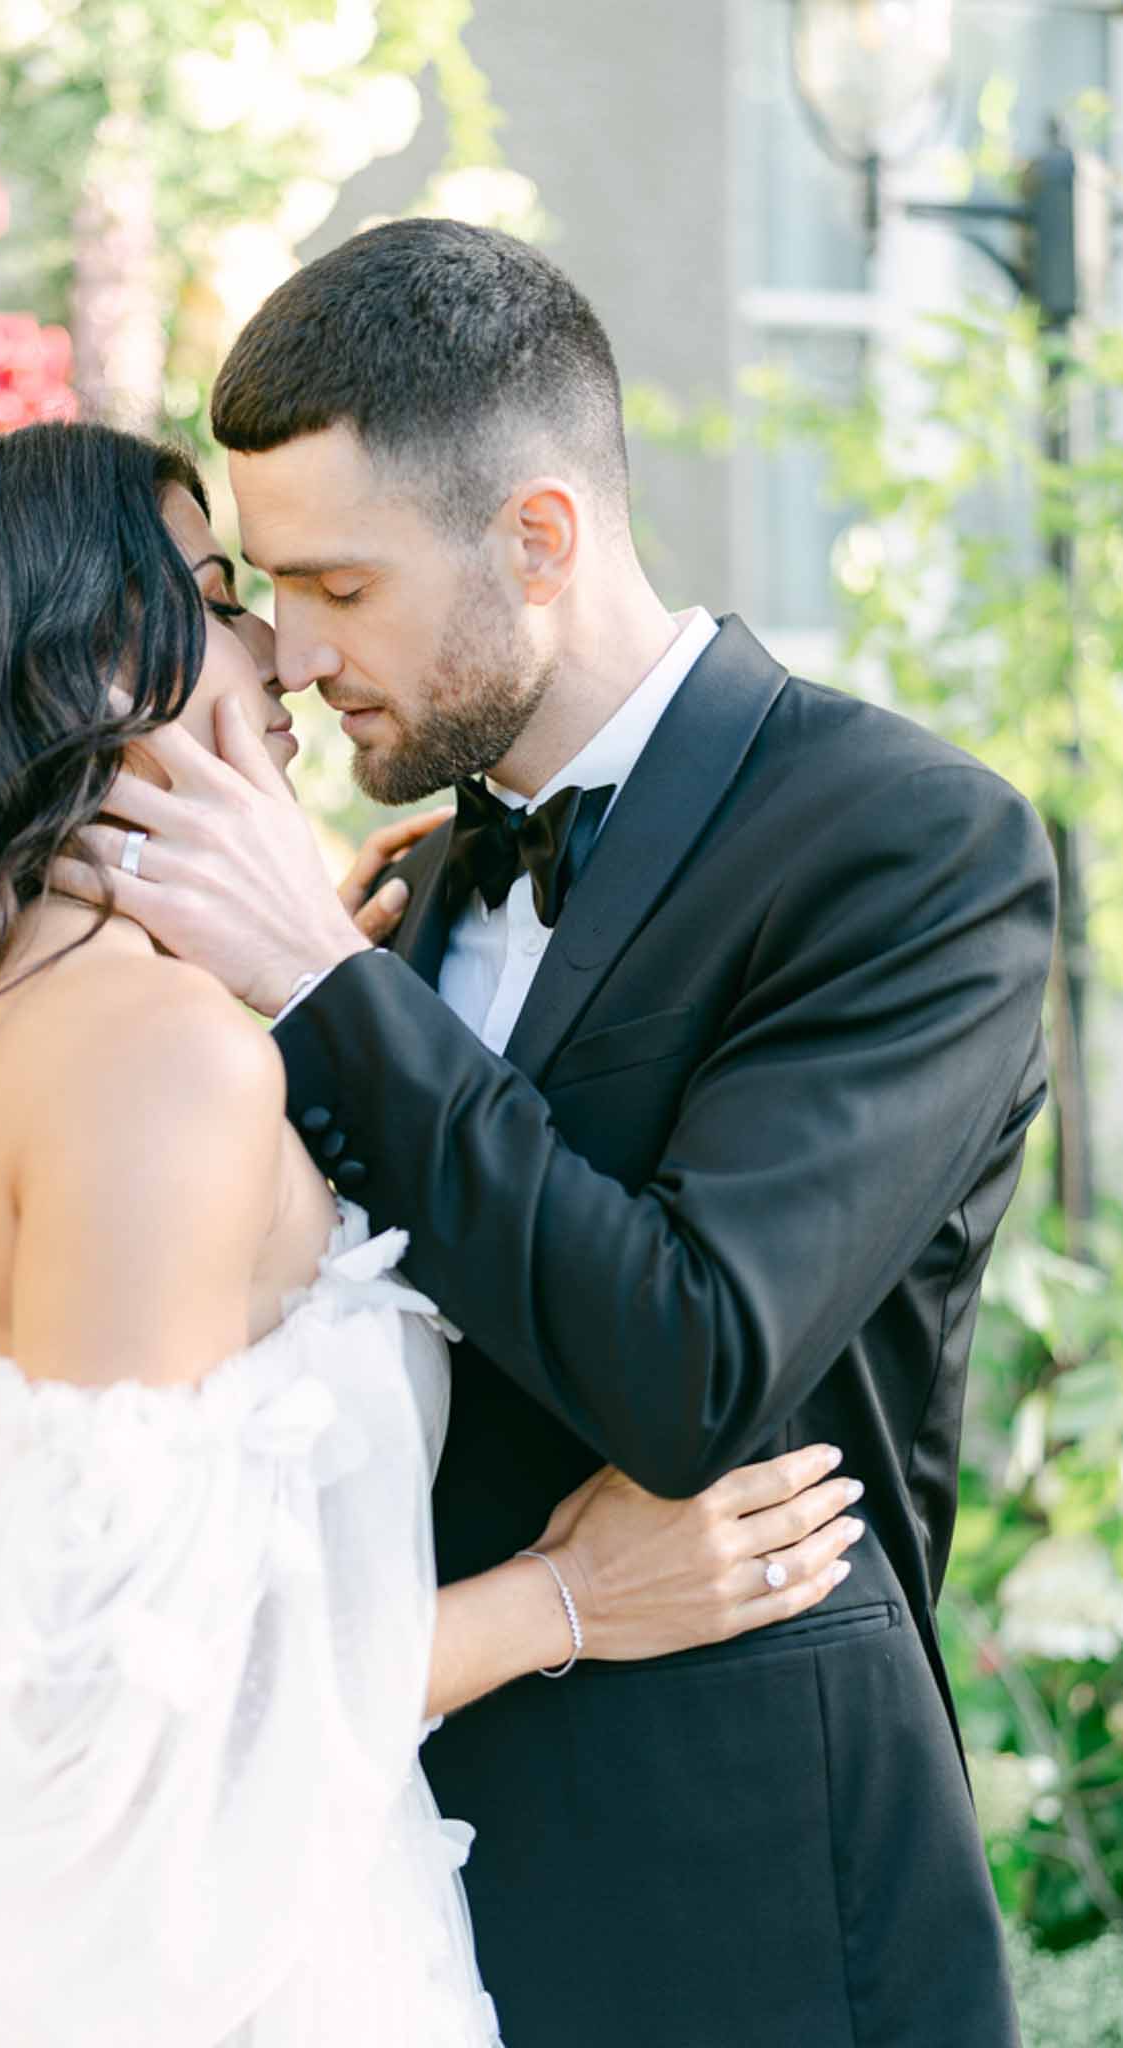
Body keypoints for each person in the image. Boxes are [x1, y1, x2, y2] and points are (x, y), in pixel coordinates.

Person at [0, 421, 861, 2048]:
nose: (280, 656)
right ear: (90, 661)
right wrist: (565, 1602)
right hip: (203, 1970)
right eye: (223, 596)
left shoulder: (2, 1031)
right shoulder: (152, 1059)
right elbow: (115, 1716)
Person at [66, 221, 1059, 2048]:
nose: (285, 656)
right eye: (268, 589)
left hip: (742, 1884)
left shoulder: (907, 844)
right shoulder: (400, 892)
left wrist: (315, 991)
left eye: (338, 588)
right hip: (391, 1871)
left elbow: (688, 1363)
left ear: (538, 538)